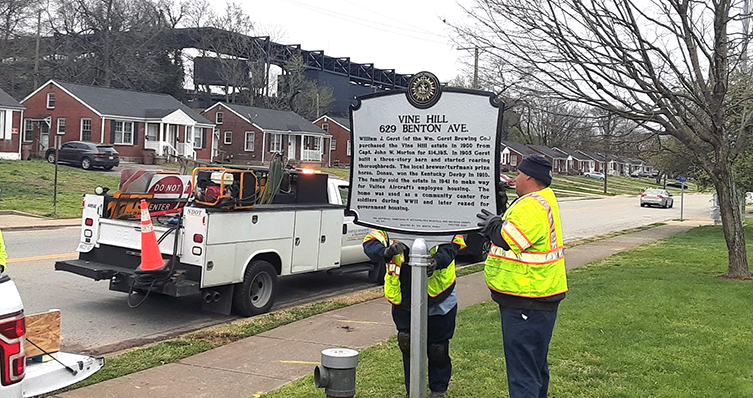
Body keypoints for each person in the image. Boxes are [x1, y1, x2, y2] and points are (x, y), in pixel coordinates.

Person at [476, 154, 568, 398]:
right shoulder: (537, 200)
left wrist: (494, 225)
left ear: (528, 176)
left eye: (518, 174)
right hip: (537, 296)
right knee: (534, 365)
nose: (515, 178)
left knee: (523, 372)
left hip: (527, 297)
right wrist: (501, 212)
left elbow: (510, 238)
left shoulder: (533, 205)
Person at [363, 230, 466, 398]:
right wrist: (385, 252)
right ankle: (412, 391)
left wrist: (437, 261)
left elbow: (454, 243)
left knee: (437, 348)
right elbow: (370, 242)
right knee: (407, 342)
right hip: (404, 294)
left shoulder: (443, 212)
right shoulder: (392, 213)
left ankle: (438, 390)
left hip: (438, 293)